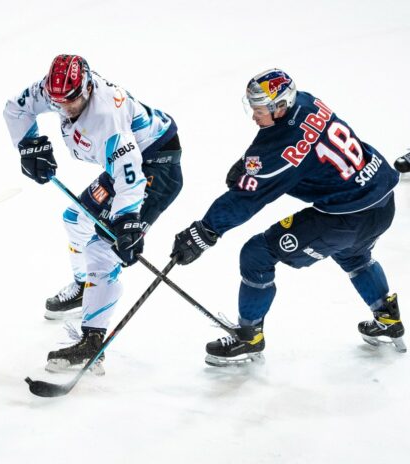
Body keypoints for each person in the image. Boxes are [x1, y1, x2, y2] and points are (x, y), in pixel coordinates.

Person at [170, 69, 404, 366]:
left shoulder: (283, 148)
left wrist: (204, 231)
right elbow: (282, 148)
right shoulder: (307, 101)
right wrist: (249, 164)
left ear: (279, 106)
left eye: (258, 110)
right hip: (381, 200)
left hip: (346, 218)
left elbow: (249, 197)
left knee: (257, 253)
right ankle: (387, 316)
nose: (253, 116)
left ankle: (249, 337)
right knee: (354, 255)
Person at [3, 54, 183, 372]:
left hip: (155, 164)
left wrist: (128, 223)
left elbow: (130, 177)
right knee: (76, 219)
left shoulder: (106, 119)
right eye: (57, 101)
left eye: (71, 100)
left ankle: (92, 341)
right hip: (125, 164)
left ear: (86, 86)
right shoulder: (56, 90)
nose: (65, 107)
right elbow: (16, 108)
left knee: (103, 248)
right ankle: (85, 286)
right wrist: (29, 146)